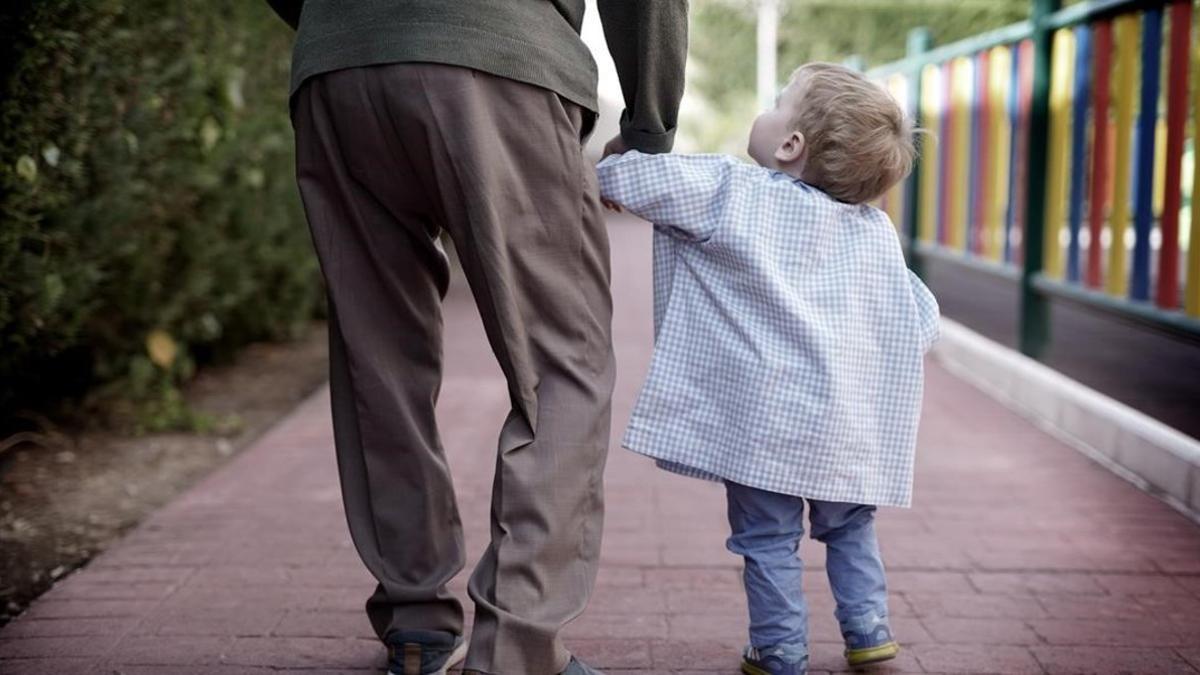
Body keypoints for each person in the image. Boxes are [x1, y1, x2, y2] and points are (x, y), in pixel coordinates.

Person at [262, 2, 688, 674]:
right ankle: (513, 650)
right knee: (563, 360)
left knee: (379, 354)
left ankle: (415, 622)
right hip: (500, 59)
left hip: (337, 73)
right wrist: (650, 124)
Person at [596, 63, 939, 675]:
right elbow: (918, 316)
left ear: (789, 146)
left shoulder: (733, 191)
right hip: (846, 425)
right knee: (851, 527)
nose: (768, 109)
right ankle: (868, 631)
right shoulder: (875, 235)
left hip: (765, 423)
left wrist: (618, 155)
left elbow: (627, 181)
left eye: (779, 102)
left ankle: (780, 648)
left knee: (767, 537)